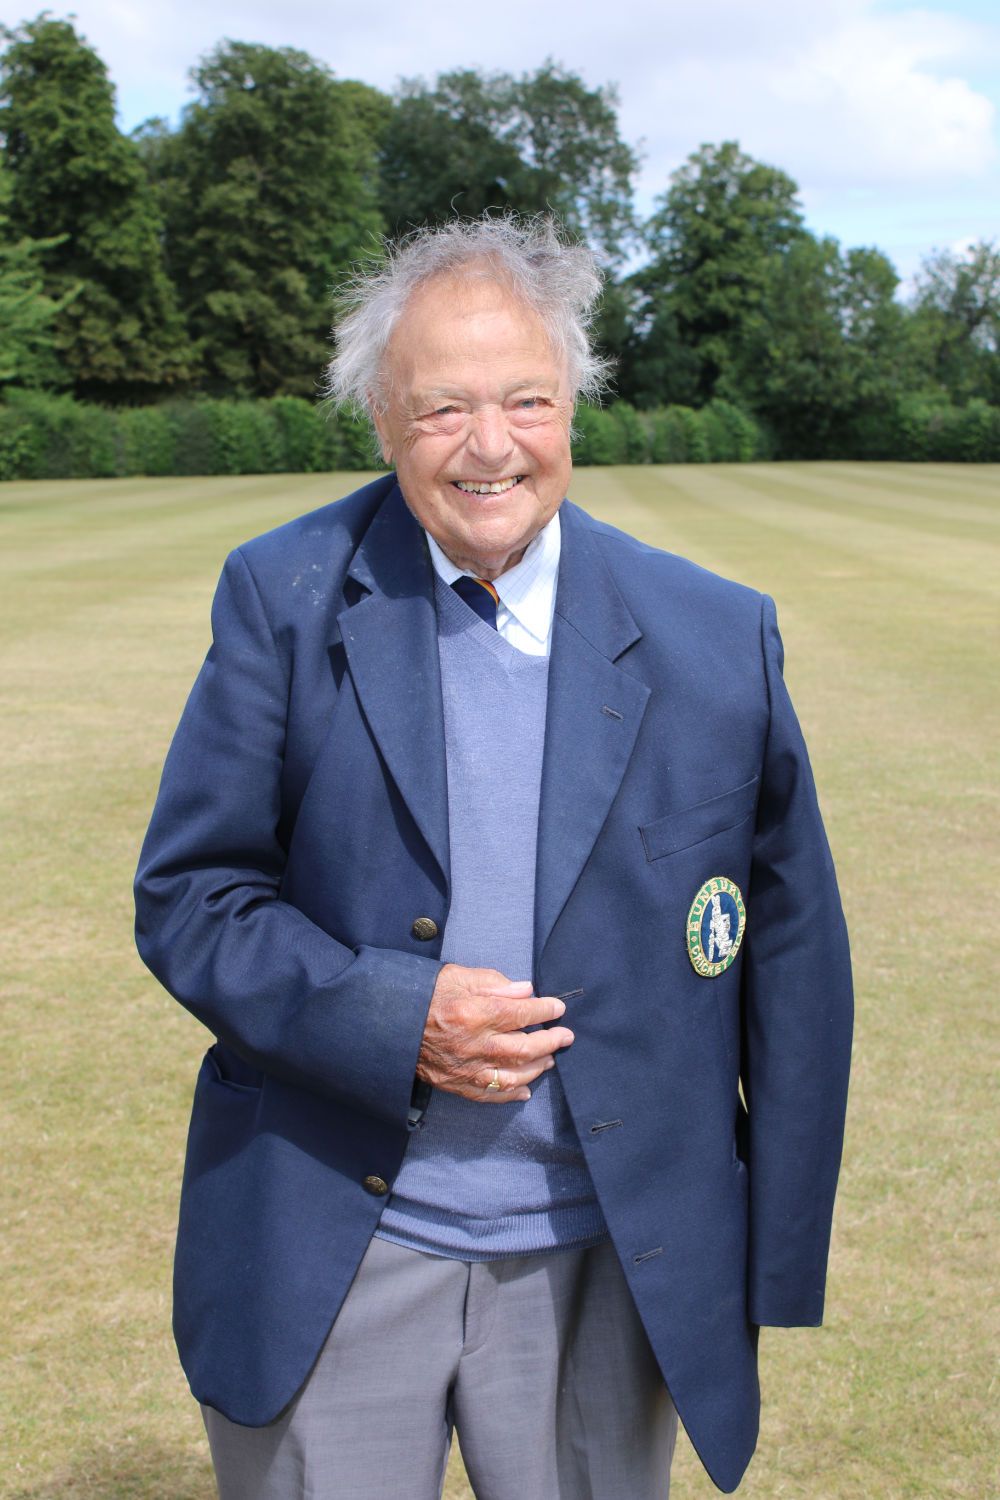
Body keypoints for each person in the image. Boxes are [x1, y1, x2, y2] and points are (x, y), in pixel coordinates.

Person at [134, 215, 853, 1499]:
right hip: (337, 1243)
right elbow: (192, 898)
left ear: (571, 403)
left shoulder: (717, 633)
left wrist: (776, 1258)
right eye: (443, 408)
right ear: (381, 421)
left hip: (605, 1261)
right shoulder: (280, 594)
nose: (490, 445)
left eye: (526, 399)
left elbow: (794, 962)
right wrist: (395, 1018)